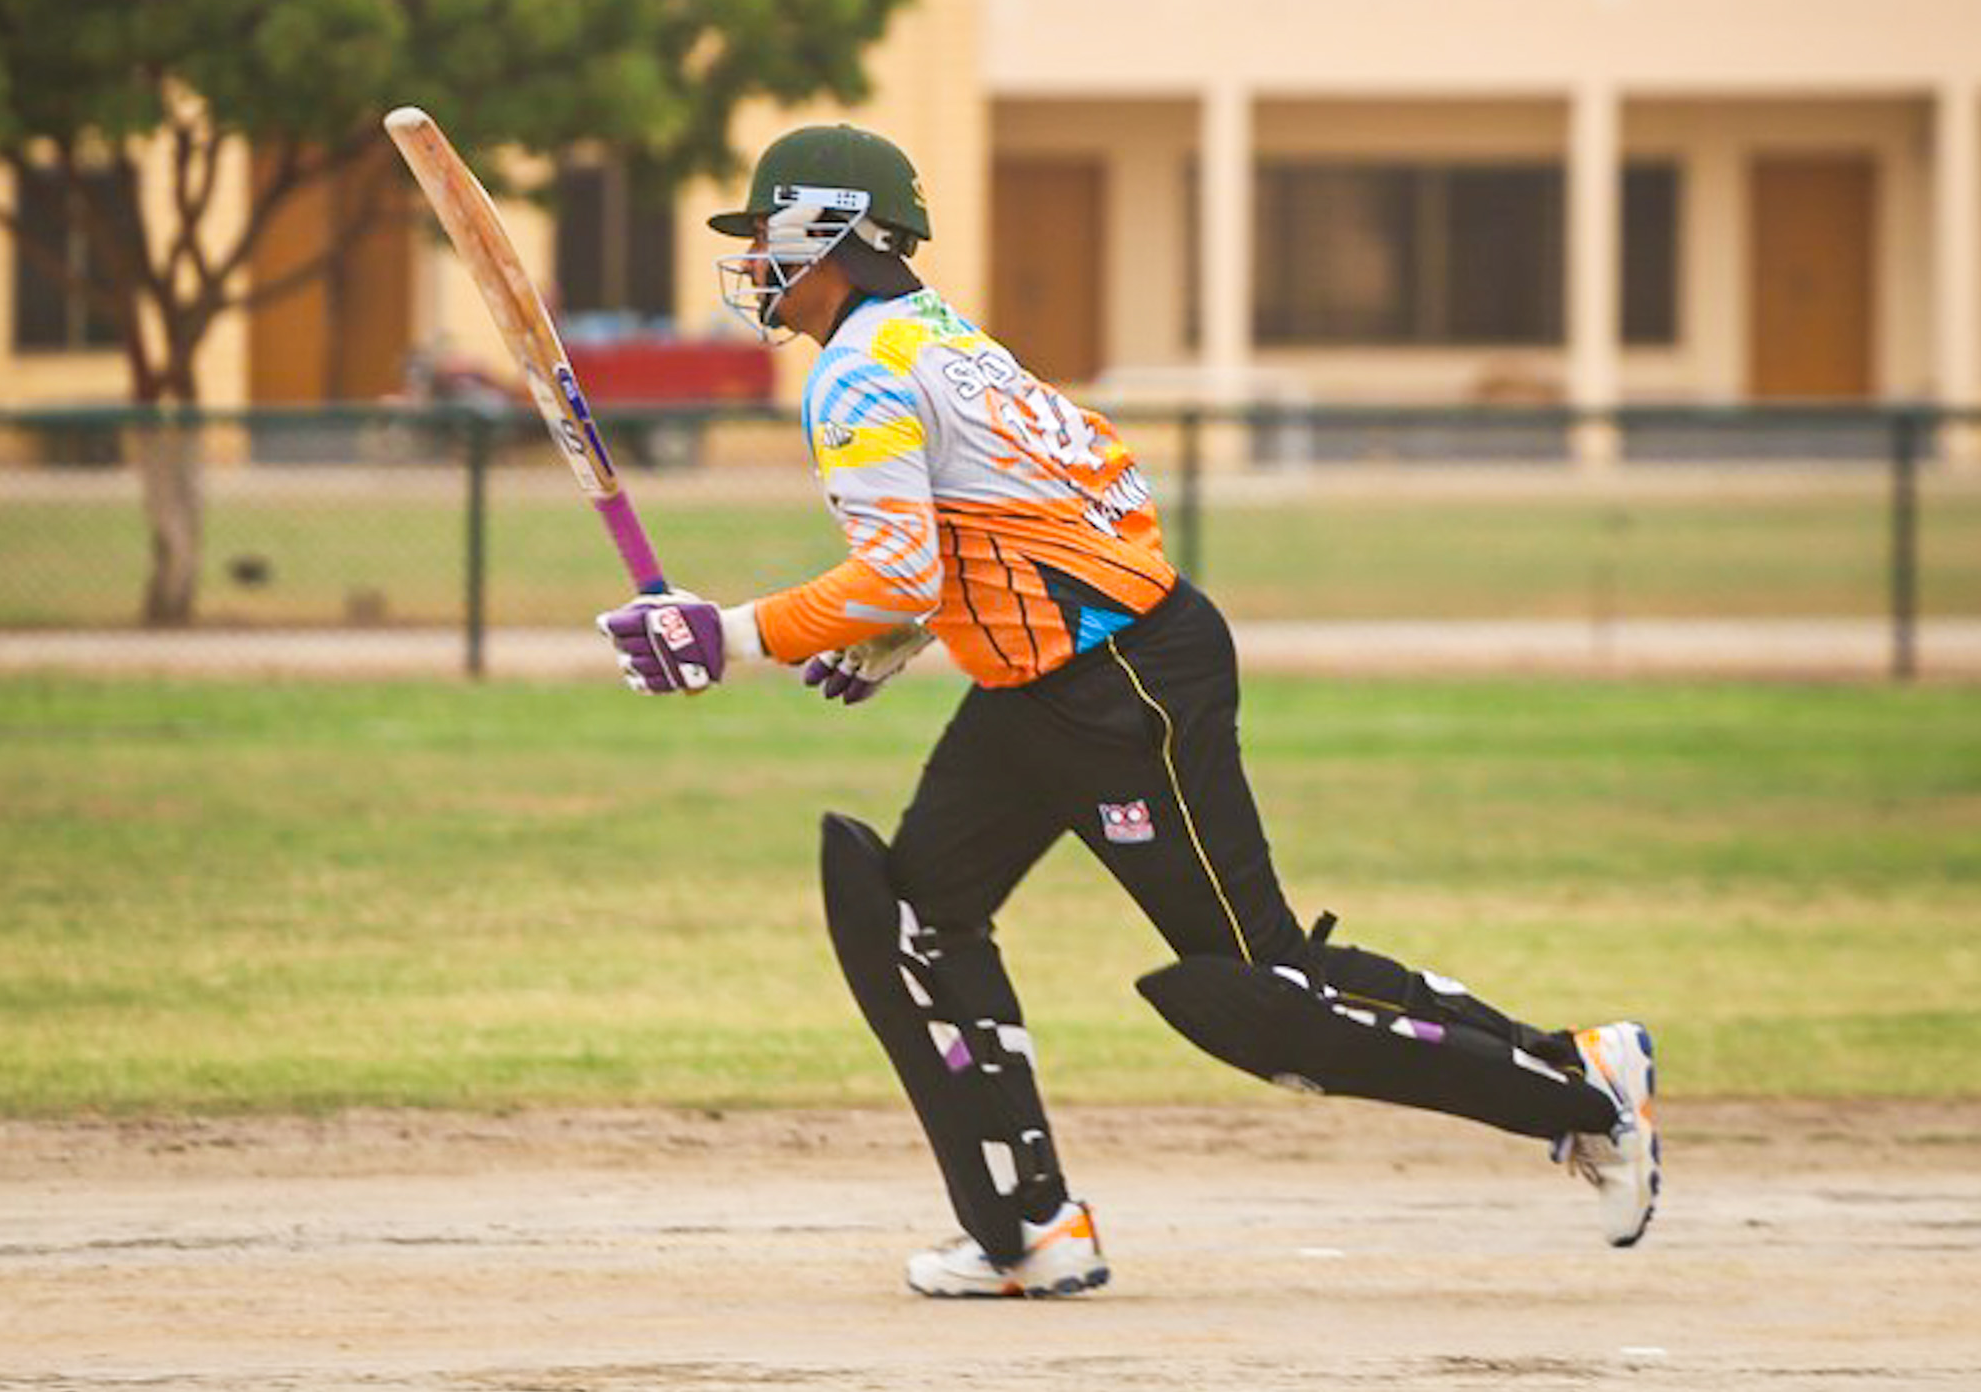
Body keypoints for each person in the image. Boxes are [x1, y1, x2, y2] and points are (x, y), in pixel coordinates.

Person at [598, 123, 1660, 1299]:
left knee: (1258, 990)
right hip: (1048, 685)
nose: (755, 261)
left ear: (825, 231)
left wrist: (724, 635)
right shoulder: (938, 338)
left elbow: (905, 565)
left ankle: (1578, 1089)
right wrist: (907, 632)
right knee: (913, 916)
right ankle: (1027, 1230)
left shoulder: (861, 371)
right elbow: (1044, 514)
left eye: (766, 234)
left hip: (1122, 688)